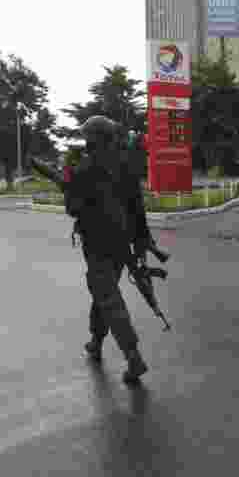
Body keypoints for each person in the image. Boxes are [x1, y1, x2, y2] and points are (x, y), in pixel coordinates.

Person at [64, 115, 151, 384]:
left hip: (98, 245)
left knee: (108, 298)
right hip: (121, 245)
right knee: (104, 292)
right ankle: (95, 340)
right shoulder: (125, 166)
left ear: (92, 139)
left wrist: (68, 186)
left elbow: (73, 209)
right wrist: (140, 244)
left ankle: (133, 356)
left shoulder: (85, 169)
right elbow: (137, 209)